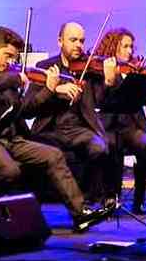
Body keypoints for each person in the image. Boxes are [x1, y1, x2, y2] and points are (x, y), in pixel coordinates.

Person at [0, 26, 111, 232]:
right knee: (11, 171)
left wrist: (49, 90)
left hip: (10, 138)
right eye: (7, 55)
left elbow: (25, 110)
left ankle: (80, 214)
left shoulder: (4, 74)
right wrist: (15, 77)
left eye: (13, 58)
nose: (10, 62)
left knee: (53, 155)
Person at [30, 22, 118, 203]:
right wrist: (53, 90)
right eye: (73, 40)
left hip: (80, 128)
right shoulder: (45, 67)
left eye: (82, 41)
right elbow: (28, 108)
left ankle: (87, 198)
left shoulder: (90, 69)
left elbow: (101, 103)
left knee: (99, 147)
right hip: (50, 128)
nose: (79, 45)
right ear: (60, 41)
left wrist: (109, 82)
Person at [95, 27, 146, 214]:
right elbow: (99, 100)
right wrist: (109, 80)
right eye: (125, 46)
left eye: (131, 47)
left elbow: (144, 100)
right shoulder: (101, 69)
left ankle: (139, 200)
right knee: (111, 145)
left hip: (131, 123)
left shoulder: (133, 72)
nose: (130, 51)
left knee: (145, 144)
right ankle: (111, 197)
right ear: (113, 47)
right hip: (108, 123)